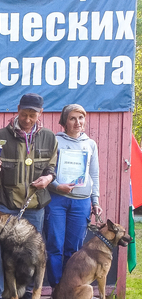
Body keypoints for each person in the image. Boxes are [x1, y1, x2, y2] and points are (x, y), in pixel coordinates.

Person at [0, 93, 57, 299]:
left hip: (34, 206)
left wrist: (49, 178)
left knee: (33, 253)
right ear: (18, 109)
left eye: (33, 115)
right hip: (5, 204)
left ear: (40, 113)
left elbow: (52, 166)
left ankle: (28, 294)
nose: (28, 119)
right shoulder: (0, 136)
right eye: (24, 114)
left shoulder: (49, 138)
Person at [45, 104, 102, 288]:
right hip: (57, 201)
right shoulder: (55, 141)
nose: (78, 122)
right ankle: (56, 288)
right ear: (64, 121)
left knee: (74, 249)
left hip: (81, 203)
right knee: (55, 246)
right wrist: (56, 186)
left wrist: (95, 200)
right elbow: (47, 170)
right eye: (72, 118)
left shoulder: (90, 144)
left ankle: (71, 288)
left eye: (81, 118)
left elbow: (94, 175)